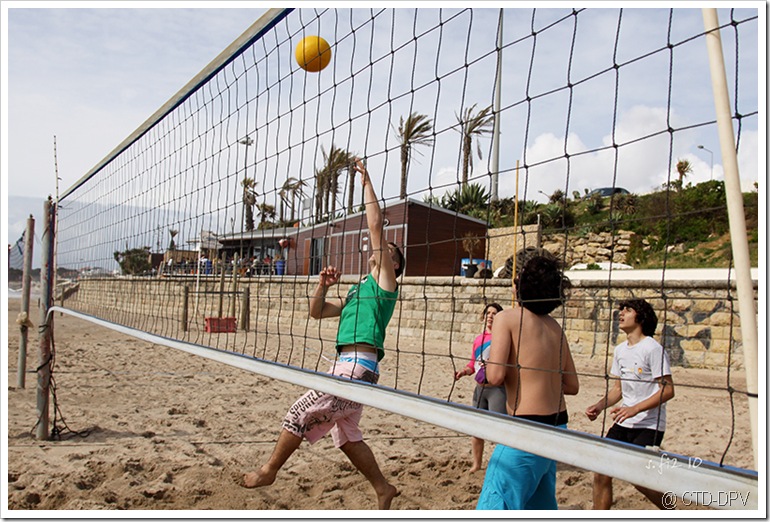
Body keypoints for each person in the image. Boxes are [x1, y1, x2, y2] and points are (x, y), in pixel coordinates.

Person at [242, 158, 403, 510]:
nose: (382, 249)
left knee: (299, 413)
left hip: (358, 366)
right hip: (348, 364)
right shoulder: (358, 291)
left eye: (389, 252)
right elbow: (317, 312)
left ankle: (269, 470)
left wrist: (367, 183)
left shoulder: (385, 285)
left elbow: (376, 226)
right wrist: (322, 286)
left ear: (394, 266)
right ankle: (383, 487)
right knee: (347, 438)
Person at [476, 247, 579, 510]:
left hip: (527, 428)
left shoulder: (507, 318)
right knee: (540, 506)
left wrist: (489, 371)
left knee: (494, 505)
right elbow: (572, 385)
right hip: (558, 426)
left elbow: (495, 376)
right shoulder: (555, 327)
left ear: (519, 284)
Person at [585, 298, 675, 510]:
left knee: (639, 478)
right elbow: (618, 389)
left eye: (627, 310)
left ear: (641, 317)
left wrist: (635, 408)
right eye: (621, 310)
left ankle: (672, 511)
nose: (621, 314)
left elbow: (668, 390)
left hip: (648, 424)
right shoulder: (620, 350)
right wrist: (599, 406)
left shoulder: (652, 348)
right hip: (624, 422)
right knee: (601, 472)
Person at [454, 302, 506, 472]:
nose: (490, 316)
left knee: (500, 430)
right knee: (476, 429)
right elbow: (473, 364)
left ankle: (502, 465)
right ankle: (476, 464)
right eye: (488, 313)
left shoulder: (503, 339)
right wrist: (463, 372)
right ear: (483, 317)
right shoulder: (478, 339)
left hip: (497, 389)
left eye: (494, 313)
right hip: (480, 388)